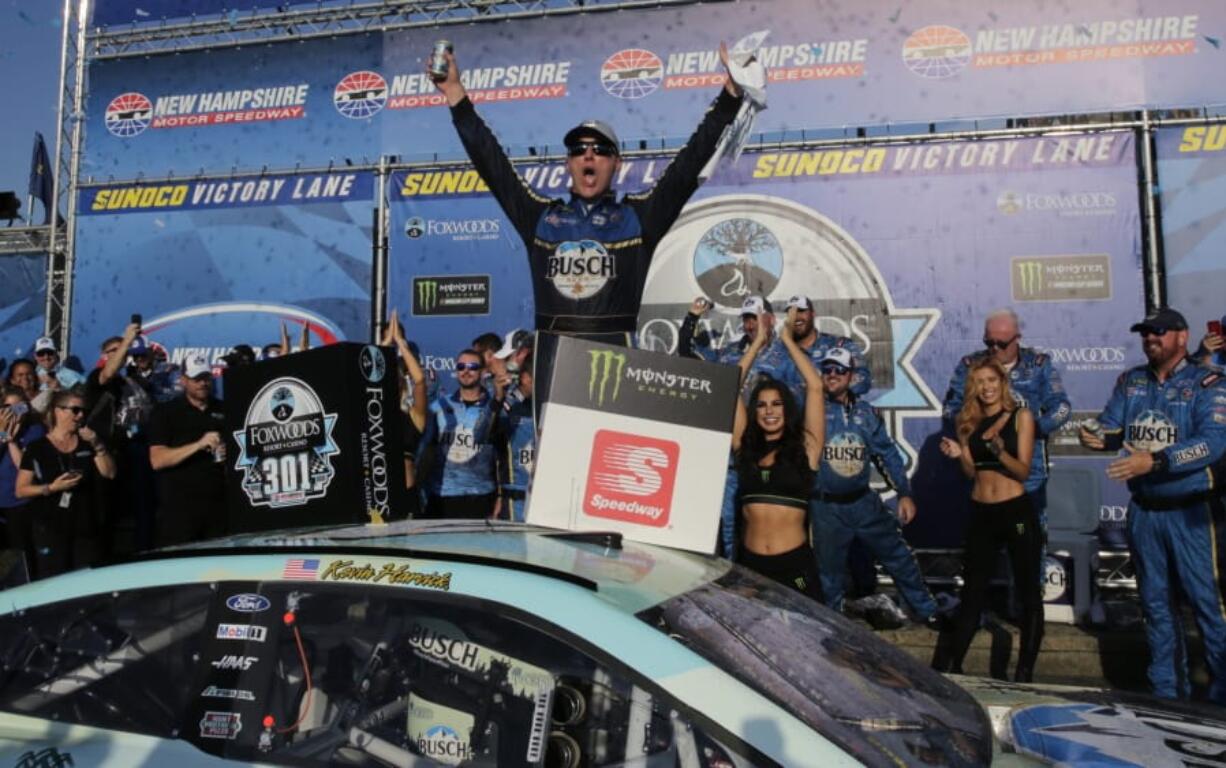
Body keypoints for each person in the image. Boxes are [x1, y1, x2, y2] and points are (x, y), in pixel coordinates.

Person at [434, 45, 743, 345]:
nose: (589, 156)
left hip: (614, 358)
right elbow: (492, 164)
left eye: (601, 150)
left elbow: (688, 167)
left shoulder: (638, 216)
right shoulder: (541, 216)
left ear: (617, 163)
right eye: (579, 149)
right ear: (569, 162)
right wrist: (455, 95)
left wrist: (729, 99)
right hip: (553, 360)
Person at [1078, 307, 1226, 704]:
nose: (1150, 339)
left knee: (1209, 607)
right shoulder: (1131, 381)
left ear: (1182, 336)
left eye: (1159, 332)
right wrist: (1094, 436)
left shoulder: (1209, 382)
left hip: (1193, 513)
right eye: (1145, 333)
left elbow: (1212, 443)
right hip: (1145, 511)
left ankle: (1221, 701)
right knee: (1156, 609)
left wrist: (1157, 460)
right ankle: (1167, 698)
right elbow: (1111, 427)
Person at [812, 348, 939, 624]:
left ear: (851, 376)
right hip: (825, 506)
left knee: (899, 556)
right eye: (827, 370)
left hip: (862, 502)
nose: (832, 375)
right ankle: (830, 625)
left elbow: (887, 454)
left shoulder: (866, 413)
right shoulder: (811, 409)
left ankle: (928, 612)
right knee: (828, 573)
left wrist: (905, 493)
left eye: (839, 370)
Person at [937, 358, 1043, 682]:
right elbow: (972, 472)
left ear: (1002, 383)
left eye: (991, 381)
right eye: (980, 382)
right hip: (982, 512)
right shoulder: (967, 420)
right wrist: (960, 456)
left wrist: (1000, 452)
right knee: (973, 592)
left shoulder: (1020, 417)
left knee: (1027, 590)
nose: (986, 387)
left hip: (1017, 514)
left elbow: (1023, 471)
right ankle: (954, 668)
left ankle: (1024, 671)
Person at [943, 309, 1071, 525]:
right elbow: (950, 409)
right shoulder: (971, 366)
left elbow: (1062, 407)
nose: (994, 348)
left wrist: (1031, 430)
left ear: (1017, 339)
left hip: (1028, 469)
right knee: (988, 543)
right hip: (984, 469)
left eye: (1001, 343)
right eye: (988, 342)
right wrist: (974, 428)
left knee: (1027, 539)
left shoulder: (1038, 365)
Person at [731, 308, 825, 597]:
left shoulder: (806, 448)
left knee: (807, 641)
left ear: (787, 408)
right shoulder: (744, 448)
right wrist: (758, 342)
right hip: (750, 567)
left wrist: (787, 340)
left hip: (794, 568)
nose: (769, 411)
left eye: (776, 404)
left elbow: (816, 387)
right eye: (761, 405)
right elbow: (729, 385)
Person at [15, 388, 116, 578]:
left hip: (85, 524)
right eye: (75, 410)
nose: (80, 416)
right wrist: (52, 488)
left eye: (83, 411)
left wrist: (98, 445)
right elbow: (21, 490)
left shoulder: (88, 442)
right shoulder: (37, 447)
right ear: (58, 411)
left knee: (86, 577)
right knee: (53, 577)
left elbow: (109, 473)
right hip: (50, 525)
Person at [147, 354, 227, 547]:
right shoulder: (166, 412)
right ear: (183, 380)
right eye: (196, 378)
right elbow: (157, 460)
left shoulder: (224, 409)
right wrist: (198, 445)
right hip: (179, 510)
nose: (202, 383)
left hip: (218, 508)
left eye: (206, 378)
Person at [421, 349, 502, 519]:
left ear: (482, 372)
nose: (466, 371)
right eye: (461, 366)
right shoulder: (438, 406)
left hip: (480, 495)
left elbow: (503, 456)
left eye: (472, 366)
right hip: (442, 495)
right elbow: (425, 451)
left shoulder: (495, 408)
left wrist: (501, 496)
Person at [0, 387, 46, 576]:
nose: (13, 412)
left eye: (19, 407)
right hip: (1, 499)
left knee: (23, 551)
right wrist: (3, 435)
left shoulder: (35, 431)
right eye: (7, 407)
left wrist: (11, 441)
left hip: (20, 500)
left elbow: (24, 467)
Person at [496, 351, 535, 522]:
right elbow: (480, 436)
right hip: (515, 502)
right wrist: (497, 400)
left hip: (548, 500)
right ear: (526, 378)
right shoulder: (509, 405)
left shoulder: (557, 406)